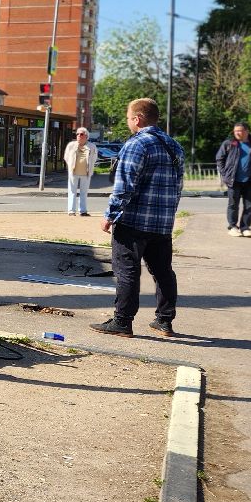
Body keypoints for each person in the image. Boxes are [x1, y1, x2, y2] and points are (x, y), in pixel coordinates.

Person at [91, 98, 185, 339]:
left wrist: (110, 215)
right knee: (163, 272)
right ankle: (164, 320)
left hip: (133, 221)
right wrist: (168, 214)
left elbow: (125, 186)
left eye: (128, 118)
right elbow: (177, 187)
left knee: (127, 270)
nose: (128, 122)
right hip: (162, 223)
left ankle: (122, 321)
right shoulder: (174, 146)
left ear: (137, 119)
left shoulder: (136, 145)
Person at [216, 121, 251, 237]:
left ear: (246, 131)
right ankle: (233, 227)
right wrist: (225, 174)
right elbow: (219, 159)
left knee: (249, 206)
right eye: (235, 131)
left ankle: (245, 228)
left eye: (240, 131)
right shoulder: (229, 143)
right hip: (233, 180)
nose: (237, 133)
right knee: (233, 205)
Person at [62, 127, 97, 216]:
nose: (79, 136)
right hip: (73, 172)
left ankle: (83, 211)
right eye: (77, 134)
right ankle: (71, 211)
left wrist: (90, 167)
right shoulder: (71, 145)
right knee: (72, 191)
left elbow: (94, 158)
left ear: (86, 136)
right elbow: (66, 156)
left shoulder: (92, 146)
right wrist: (71, 165)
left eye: (81, 134)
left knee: (84, 192)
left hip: (86, 173)